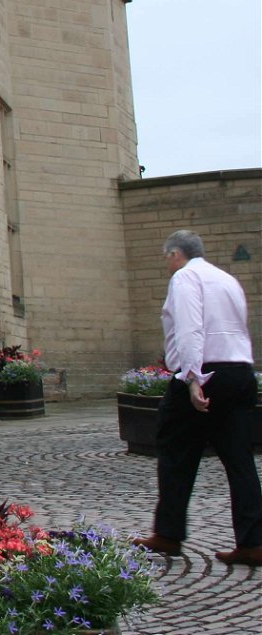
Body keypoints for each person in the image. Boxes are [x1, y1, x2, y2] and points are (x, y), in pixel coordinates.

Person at [133, 230, 261, 566]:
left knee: (175, 451)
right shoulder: (227, 279)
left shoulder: (185, 277)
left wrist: (192, 379)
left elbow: (191, 328)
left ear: (175, 254)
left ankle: (168, 534)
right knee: (240, 460)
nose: (166, 265)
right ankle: (252, 542)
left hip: (205, 372)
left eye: (166, 257)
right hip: (240, 370)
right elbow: (240, 326)